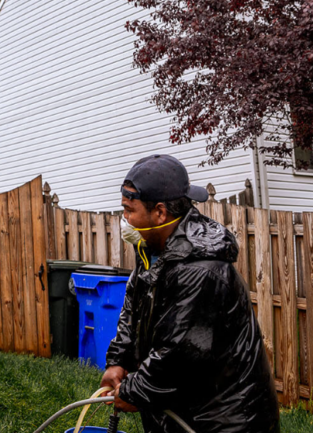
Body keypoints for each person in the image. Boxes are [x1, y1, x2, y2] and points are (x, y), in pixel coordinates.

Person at [102, 154, 279, 432]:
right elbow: (132, 312)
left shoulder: (200, 270)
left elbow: (180, 353)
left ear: (160, 212)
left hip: (224, 419)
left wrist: (134, 391)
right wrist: (119, 361)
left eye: (128, 210)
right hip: (185, 410)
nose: (124, 219)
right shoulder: (153, 252)